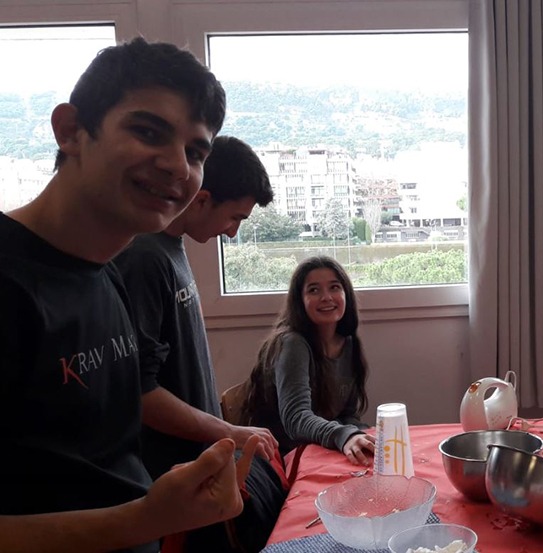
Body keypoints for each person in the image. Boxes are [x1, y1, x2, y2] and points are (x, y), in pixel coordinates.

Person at [0, 37, 260, 553]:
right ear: (70, 131)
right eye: (148, 132)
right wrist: (145, 519)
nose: (178, 167)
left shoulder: (106, 271)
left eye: (195, 152)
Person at [113, 135, 286, 552]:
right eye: (235, 217)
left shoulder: (173, 248)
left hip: (198, 465)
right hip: (169, 476)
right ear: (203, 199)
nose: (233, 232)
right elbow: (141, 393)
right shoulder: (145, 257)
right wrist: (229, 430)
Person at [239, 256, 376, 465]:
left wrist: (361, 436)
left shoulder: (349, 342)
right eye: (314, 290)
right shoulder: (292, 344)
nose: (326, 297)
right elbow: (296, 419)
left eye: (334, 287)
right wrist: (344, 435)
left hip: (321, 451)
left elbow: (347, 414)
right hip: (281, 459)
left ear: (346, 293)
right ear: (299, 301)